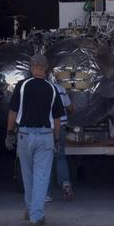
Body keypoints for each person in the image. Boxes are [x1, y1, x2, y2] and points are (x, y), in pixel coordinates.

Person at [6, 55, 64, 226]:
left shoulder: (22, 86)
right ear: (46, 69)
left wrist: (9, 132)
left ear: (32, 67)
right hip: (46, 135)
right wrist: (57, 139)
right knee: (41, 176)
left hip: (24, 134)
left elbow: (13, 111)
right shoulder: (52, 89)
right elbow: (57, 118)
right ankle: (36, 216)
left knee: (28, 175)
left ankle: (31, 208)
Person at [47, 74, 74, 202]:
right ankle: (65, 183)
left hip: (44, 128)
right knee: (60, 156)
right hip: (61, 127)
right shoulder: (61, 89)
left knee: (45, 160)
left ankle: (47, 193)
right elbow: (70, 108)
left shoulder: (39, 88)